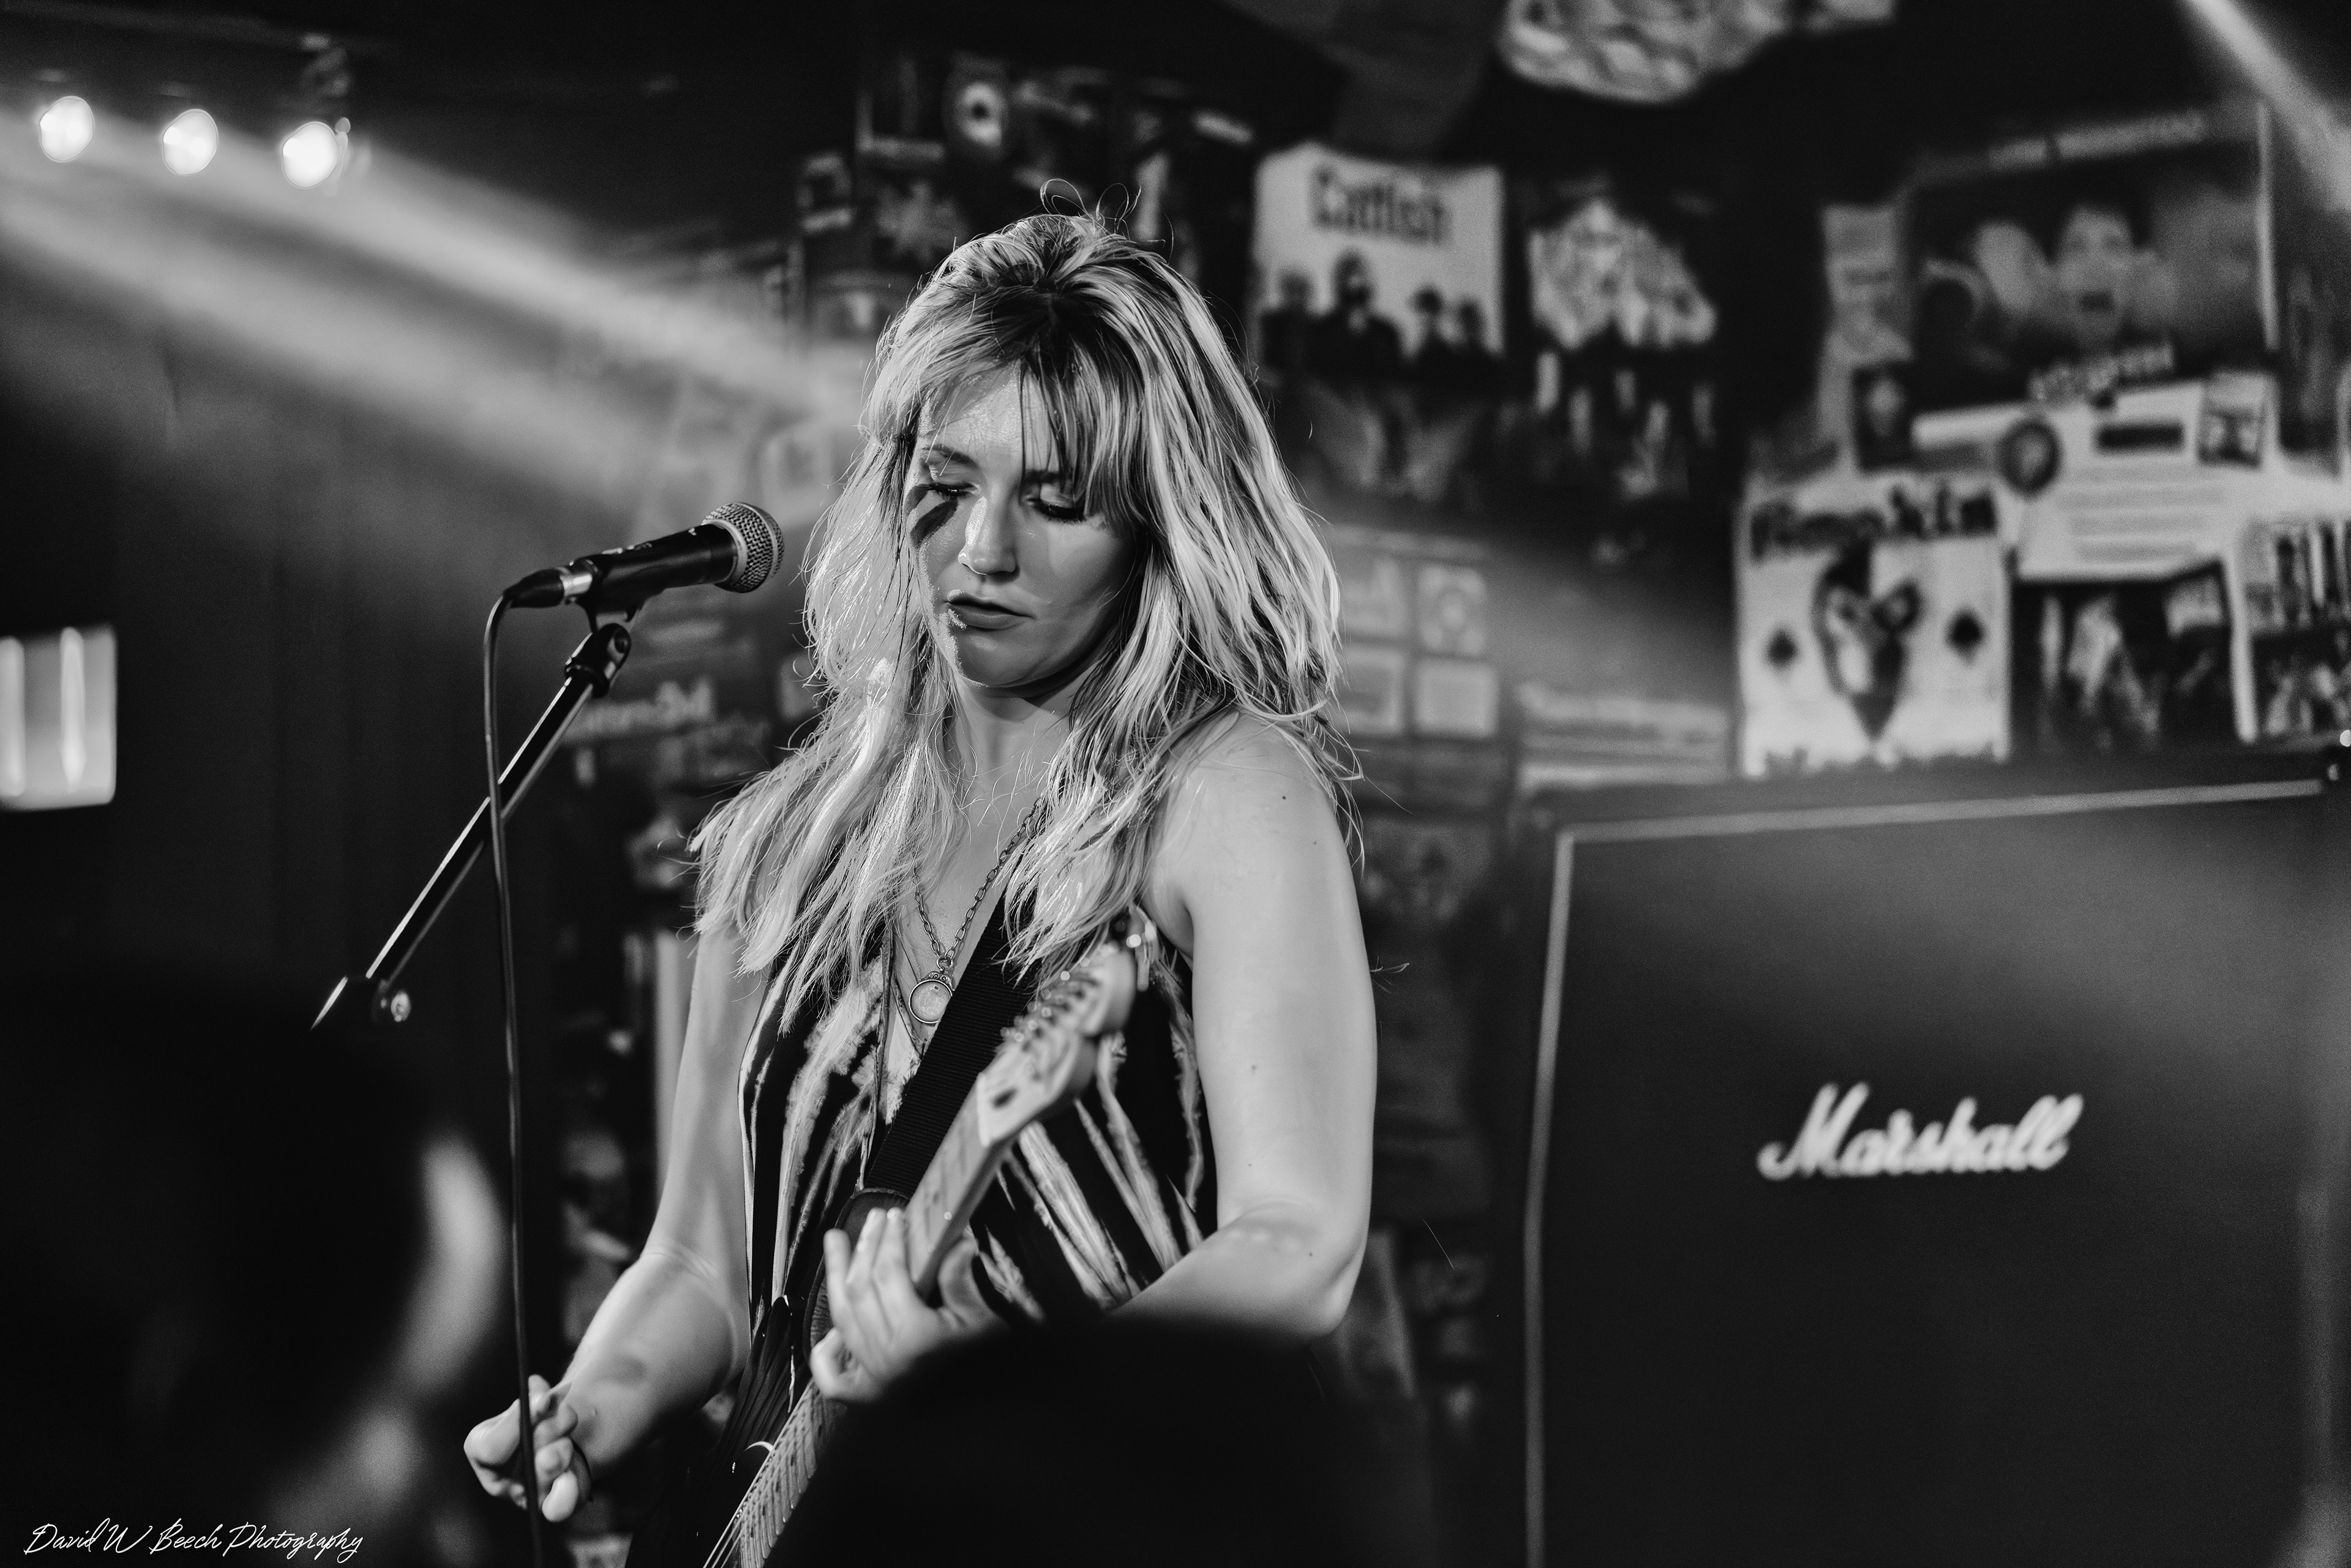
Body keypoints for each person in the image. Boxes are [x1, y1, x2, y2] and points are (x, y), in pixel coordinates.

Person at [466, 213, 1377, 1532]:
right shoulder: (791, 842)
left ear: (1157, 522)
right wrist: (599, 1399)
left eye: (1056, 501)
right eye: (945, 486)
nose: (983, 549)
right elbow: (701, 1262)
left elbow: (1300, 1240)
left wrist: (1021, 1394)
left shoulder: (1222, 790)